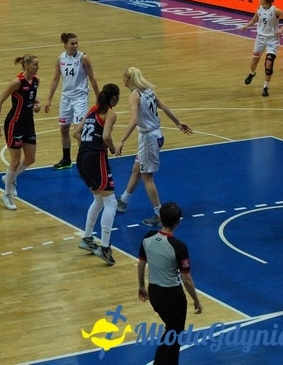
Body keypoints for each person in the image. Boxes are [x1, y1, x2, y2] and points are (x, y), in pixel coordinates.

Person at [115, 67, 193, 226]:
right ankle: (123, 201)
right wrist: (178, 122)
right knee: (137, 170)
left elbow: (134, 120)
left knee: (147, 177)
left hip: (148, 138)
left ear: (127, 80)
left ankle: (159, 215)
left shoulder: (134, 95)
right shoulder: (148, 90)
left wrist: (122, 140)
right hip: (155, 134)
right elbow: (163, 106)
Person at [138, 202, 202, 365]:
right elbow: (186, 278)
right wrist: (196, 299)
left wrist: (141, 286)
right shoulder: (179, 246)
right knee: (174, 334)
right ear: (178, 222)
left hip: (154, 293)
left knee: (171, 330)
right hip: (173, 296)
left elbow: (141, 264)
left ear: (160, 218)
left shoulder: (148, 238)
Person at [74, 84, 121, 266]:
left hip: (82, 158)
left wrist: (86, 146)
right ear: (113, 98)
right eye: (118, 96)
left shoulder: (93, 109)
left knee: (99, 200)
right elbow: (106, 136)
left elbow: (76, 133)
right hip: (96, 157)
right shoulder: (110, 113)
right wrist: (112, 148)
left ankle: (87, 238)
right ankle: (105, 247)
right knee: (111, 202)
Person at [44, 32, 100, 170]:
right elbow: (56, 79)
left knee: (78, 131)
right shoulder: (60, 59)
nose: (75, 45)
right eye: (72, 43)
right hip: (66, 98)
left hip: (80, 98)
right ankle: (66, 159)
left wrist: (99, 98)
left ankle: (85, 160)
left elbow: (92, 77)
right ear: (65, 45)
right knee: (63, 128)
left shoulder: (83, 58)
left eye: (76, 43)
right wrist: (49, 99)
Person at [0, 54, 40, 211]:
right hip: (15, 123)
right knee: (15, 160)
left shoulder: (36, 81)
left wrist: (37, 105)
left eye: (37, 65)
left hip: (29, 122)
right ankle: (6, 194)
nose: (37, 67)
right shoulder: (16, 82)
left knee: (31, 158)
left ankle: (9, 178)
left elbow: (32, 99)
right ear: (26, 66)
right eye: (34, 65)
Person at [241, 0, 283, 97]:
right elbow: (254, 20)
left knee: (269, 63)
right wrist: (246, 26)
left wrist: (281, 29)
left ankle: (265, 86)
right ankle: (252, 73)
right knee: (254, 60)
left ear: (264, 0)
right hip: (260, 39)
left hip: (272, 40)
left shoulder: (275, 11)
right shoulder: (259, 8)